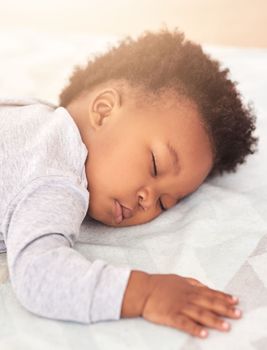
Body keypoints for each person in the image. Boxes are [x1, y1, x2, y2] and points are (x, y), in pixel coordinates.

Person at [0, 28, 257, 339]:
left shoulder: (27, 113)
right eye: (155, 164)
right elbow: (39, 275)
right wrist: (146, 293)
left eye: (165, 203)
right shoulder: (57, 173)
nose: (148, 200)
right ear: (104, 110)